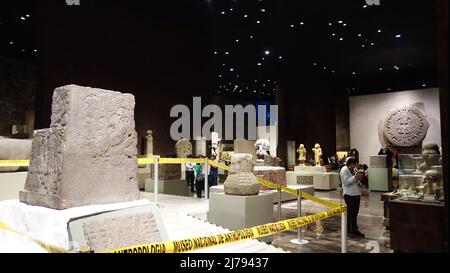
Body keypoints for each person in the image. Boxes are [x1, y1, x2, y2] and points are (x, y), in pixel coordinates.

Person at [340, 157, 365, 238]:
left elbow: (355, 181)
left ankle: (355, 230)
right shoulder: (344, 169)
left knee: (355, 214)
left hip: (356, 194)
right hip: (349, 195)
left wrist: (359, 179)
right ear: (350, 163)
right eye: (354, 164)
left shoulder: (352, 169)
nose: (355, 165)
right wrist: (355, 177)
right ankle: (349, 231)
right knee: (350, 214)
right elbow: (346, 182)